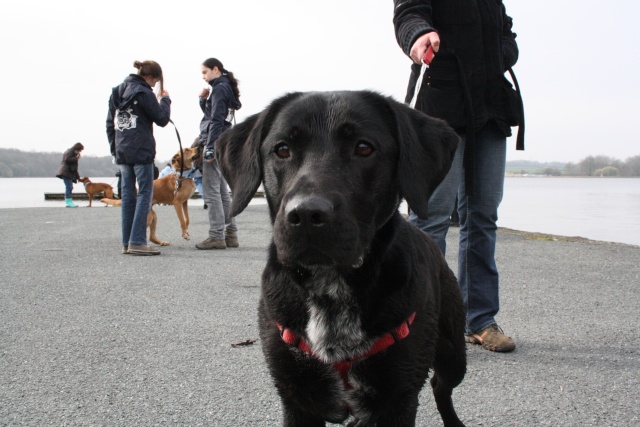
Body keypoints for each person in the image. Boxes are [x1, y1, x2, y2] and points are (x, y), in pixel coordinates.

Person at [394, 0, 523, 352]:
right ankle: (423, 321)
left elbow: (505, 30)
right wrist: (419, 35)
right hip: (441, 110)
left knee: (483, 217)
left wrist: (503, 53)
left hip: (491, 107)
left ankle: (479, 321)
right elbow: (408, 14)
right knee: (430, 216)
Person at [106, 60, 171, 256]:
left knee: (127, 196)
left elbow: (110, 123)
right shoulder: (144, 92)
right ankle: (137, 241)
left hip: (122, 151)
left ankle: (127, 242)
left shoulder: (117, 91)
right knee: (144, 194)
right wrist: (165, 101)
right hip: (141, 151)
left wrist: (114, 150)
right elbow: (162, 119)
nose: (155, 86)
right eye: (155, 82)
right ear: (150, 77)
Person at [195, 58, 242, 250]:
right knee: (222, 190)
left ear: (216, 69)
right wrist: (203, 100)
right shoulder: (226, 88)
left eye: (205, 72)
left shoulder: (220, 89)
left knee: (211, 190)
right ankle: (231, 233)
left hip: (215, 141)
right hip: (225, 141)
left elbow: (215, 119)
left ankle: (216, 235)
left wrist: (209, 146)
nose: (204, 77)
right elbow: (214, 115)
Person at [55, 142, 84, 208]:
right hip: (66, 172)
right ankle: (68, 202)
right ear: (77, 148)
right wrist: (76, 158)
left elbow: (75, 167)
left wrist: (78, 177)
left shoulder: (75, 153)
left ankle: (69, 201)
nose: (81, 151)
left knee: (70, 187)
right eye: (80, 150)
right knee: (69, 187)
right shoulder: (70, 152)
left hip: (69, 172)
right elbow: (67, 160)